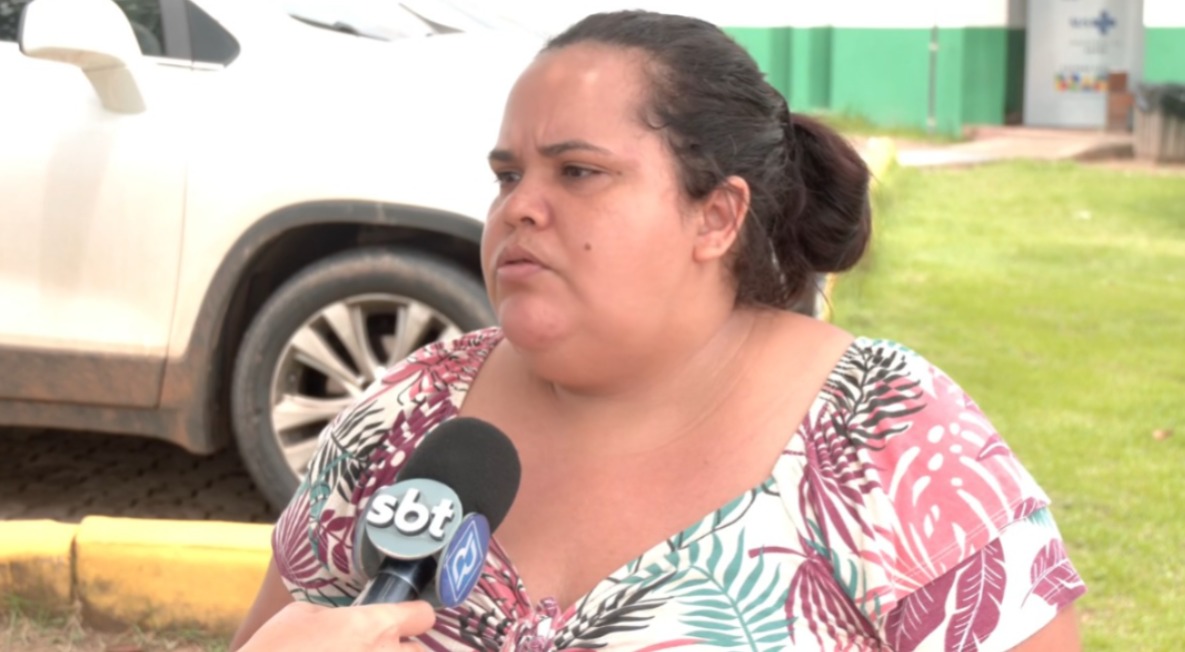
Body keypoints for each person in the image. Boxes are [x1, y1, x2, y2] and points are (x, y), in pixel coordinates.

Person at [232, 10, 1085, 651]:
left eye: (578, 171)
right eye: (507, 175)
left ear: (715, 217)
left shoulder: (887, 430)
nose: (519, 207)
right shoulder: (406, 411)